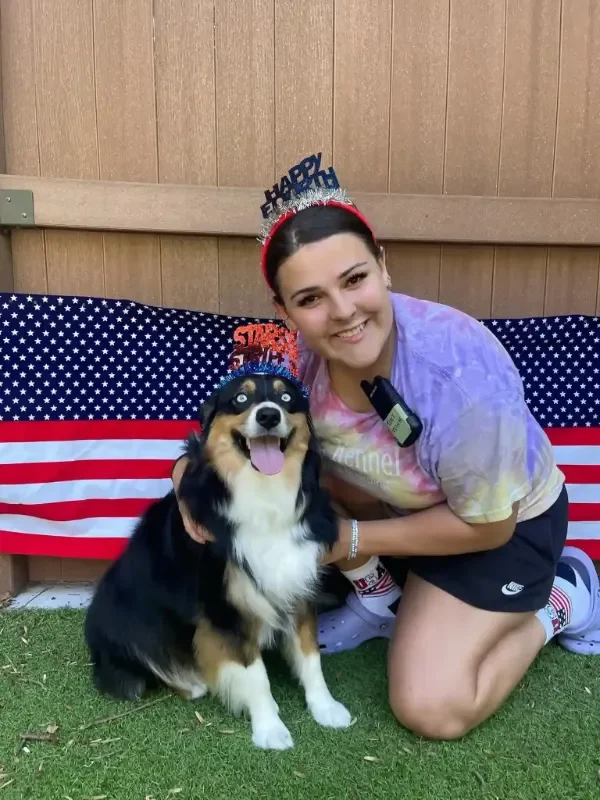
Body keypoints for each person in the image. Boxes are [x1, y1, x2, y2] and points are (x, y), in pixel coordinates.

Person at [171, 175, 600, 741]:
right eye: (310, 299)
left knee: (431, 707)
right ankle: (379, 598)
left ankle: (563, 599)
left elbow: (491, 526)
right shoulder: (287, 355)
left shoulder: (462, 378)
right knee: (272, 465)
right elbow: (224, 439)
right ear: (283, 309)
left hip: (500, 527)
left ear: (383, 264)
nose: (343, 311)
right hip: (398, 506)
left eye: (355, 279)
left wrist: (348, 539)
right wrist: (185, 477)